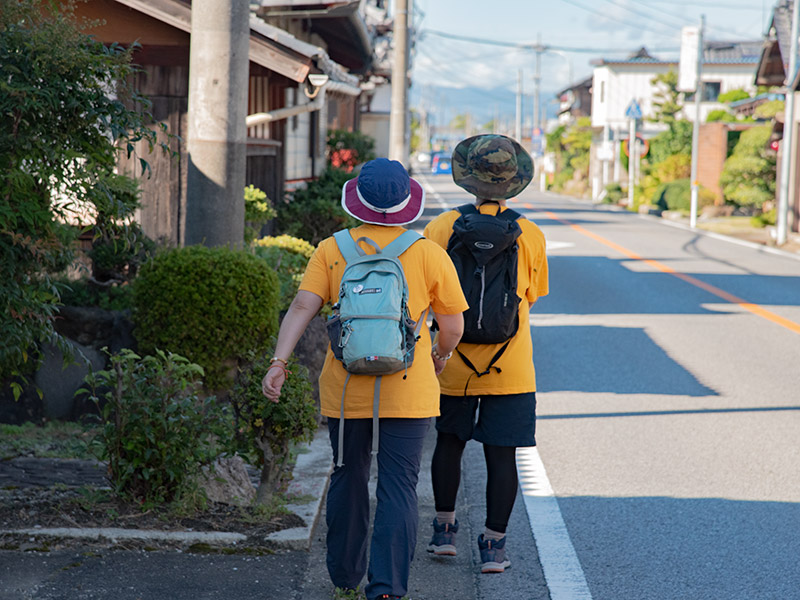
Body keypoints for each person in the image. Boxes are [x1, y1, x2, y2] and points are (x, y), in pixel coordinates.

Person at [262, 158, 467, 600]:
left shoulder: (331, 249)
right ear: (406, 204)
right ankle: (388, 588)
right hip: (409, 388)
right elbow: (452, 328)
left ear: (358, 201)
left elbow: (302, 307)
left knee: (347, 474)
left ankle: (343, 579)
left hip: (346, 388)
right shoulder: (428, 252)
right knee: (398, 484)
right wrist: (439, 355)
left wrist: (278, 362)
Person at [422, 134, 549, 574]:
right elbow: (532, 295)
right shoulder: (529, 233)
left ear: (468, 179)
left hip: (449, 358)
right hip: (510, 364)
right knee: (502, 454)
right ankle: (494, 546)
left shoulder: (440, 228)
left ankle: (444, 532)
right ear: (513, 181)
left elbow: (428, 294)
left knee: (449, 443)